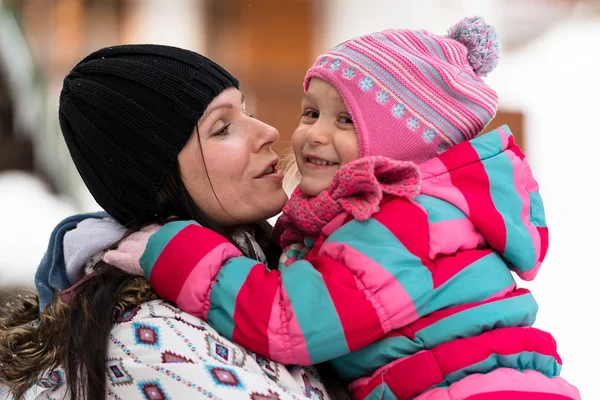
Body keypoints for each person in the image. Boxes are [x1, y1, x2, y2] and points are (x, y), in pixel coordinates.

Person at [106, 18, 581, 399]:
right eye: (310, 112)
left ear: (404, 148)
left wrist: (174, 249)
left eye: (346, 121)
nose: (314, 133)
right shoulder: (387, 217)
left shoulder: (403, 223)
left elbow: (287, 320)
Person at [0, 44, 343, 400]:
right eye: (223, 128)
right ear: (157, 180)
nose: (268, 131)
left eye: (247, 111)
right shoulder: (148, 341)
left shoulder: (281, 276)